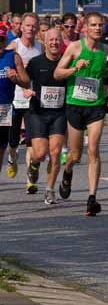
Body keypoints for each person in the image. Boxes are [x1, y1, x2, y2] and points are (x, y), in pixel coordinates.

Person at [54, 11, 108, 216]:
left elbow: (105, 76)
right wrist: (74, 68)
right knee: (75, 155)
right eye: (93, 25)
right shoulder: (75, 47)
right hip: (75, 104)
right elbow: (57, 73)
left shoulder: (105, 49)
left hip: (96, 105)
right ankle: (68, 171)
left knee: (93, 149)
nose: (97, 28)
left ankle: (92, 198)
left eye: (100, 25)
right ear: (85, 27)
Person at [16, 27, 67, 206]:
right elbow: (24, 80)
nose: (54, 43)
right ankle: (34, 164)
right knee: (40, 153)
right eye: (51, 39)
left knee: (55, 152)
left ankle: (50, 190)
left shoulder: (67, 62)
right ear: (44, 42)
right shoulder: (36, 63)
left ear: (62, 42)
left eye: (57, 39)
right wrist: (26, 89)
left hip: (59, 113)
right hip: (37, 113)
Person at [6, 14, 43, 184]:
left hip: (32, 100)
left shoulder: (40, 47)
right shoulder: (14, 46)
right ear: (21, 27)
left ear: (37, 28)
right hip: (14, 99)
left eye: (34, 26)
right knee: (13, 140)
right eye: (27, 25)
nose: (30, 29)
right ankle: (12, 157)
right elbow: (7, 71)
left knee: (30, 140)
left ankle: (30, 180)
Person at [0, 26, 18, 177]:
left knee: (0, 148)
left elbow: (26, 81)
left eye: (1, 40)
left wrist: (15, 78)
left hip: (4, 108)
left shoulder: (12, 56)